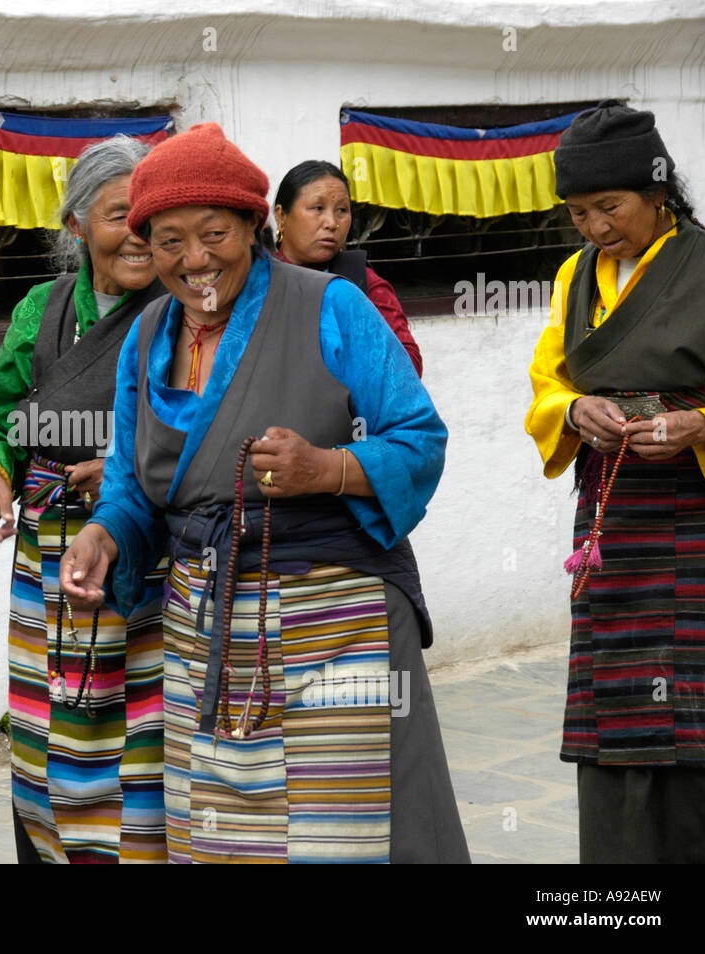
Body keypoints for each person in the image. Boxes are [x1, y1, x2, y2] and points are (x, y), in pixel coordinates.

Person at [59, 123, 468, 863]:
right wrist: (106, 533)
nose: (195, 260)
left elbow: (419, 438)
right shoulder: (148, 334)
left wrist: (327, 468)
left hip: (334, 621)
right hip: (205, 626)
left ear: (255, 225)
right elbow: (133, 483)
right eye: (169, 241)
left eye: (214, 232)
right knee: (221, 838)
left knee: (345, 837)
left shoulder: (330, 306)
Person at [0, 135, 169, 863]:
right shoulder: (42, 311)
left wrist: (120, 469)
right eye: (120, 215)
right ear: (76, 226)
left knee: (141, 736)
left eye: (150, 214)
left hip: (149, 558)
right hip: (48, 559)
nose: (139, 234)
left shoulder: (182, 314)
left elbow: (208, 431)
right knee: (51, 720)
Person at [525, 102, 705, 863]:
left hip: (695, 514)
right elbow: (544, 383)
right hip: (611, 518)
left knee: (694, 703)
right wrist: (575, 408)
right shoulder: (575, 278)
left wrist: (703, 423)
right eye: (579, 212)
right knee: (616, 701)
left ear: (657, 192)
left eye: (611, 206)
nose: (596, 227)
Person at [272, 160, 423, 376]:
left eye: (342, 210)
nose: (332, 222)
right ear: (281, 216)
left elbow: (408, 366)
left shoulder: (360, 280)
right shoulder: (256, 280)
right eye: (318, 208)